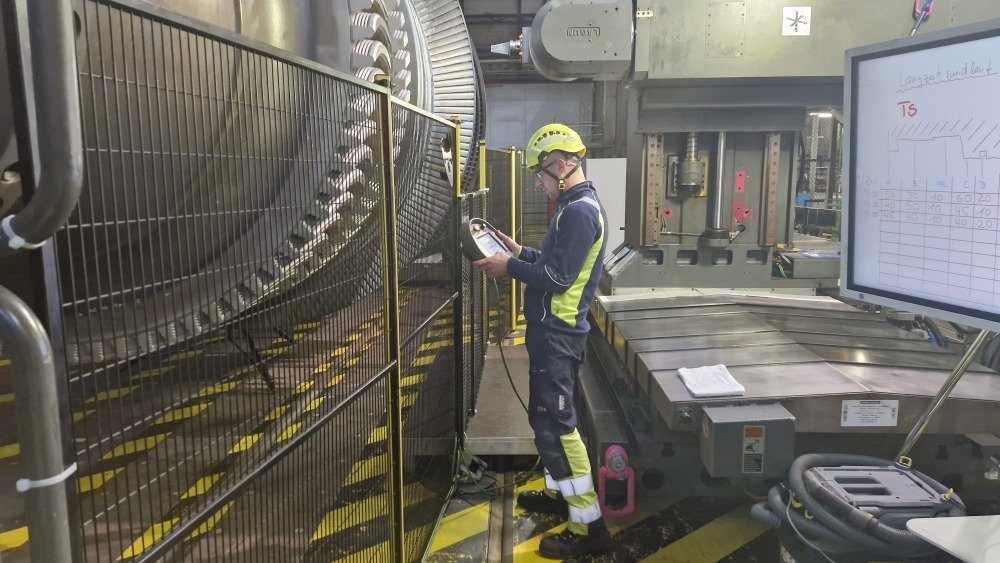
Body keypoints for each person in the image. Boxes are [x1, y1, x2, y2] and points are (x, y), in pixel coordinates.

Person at [473, 124, 610, 559]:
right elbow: (550, 261)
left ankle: (588, 529)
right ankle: (558, 494)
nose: (537, 181)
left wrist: (507, 268)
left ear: (564, 165)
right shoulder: (571, 207)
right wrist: (519, 252)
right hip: (551, 335)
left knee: (560, 427)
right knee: (543, 420)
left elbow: (557, 278)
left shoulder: (580, 212)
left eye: (541, 173)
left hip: (559, 337)